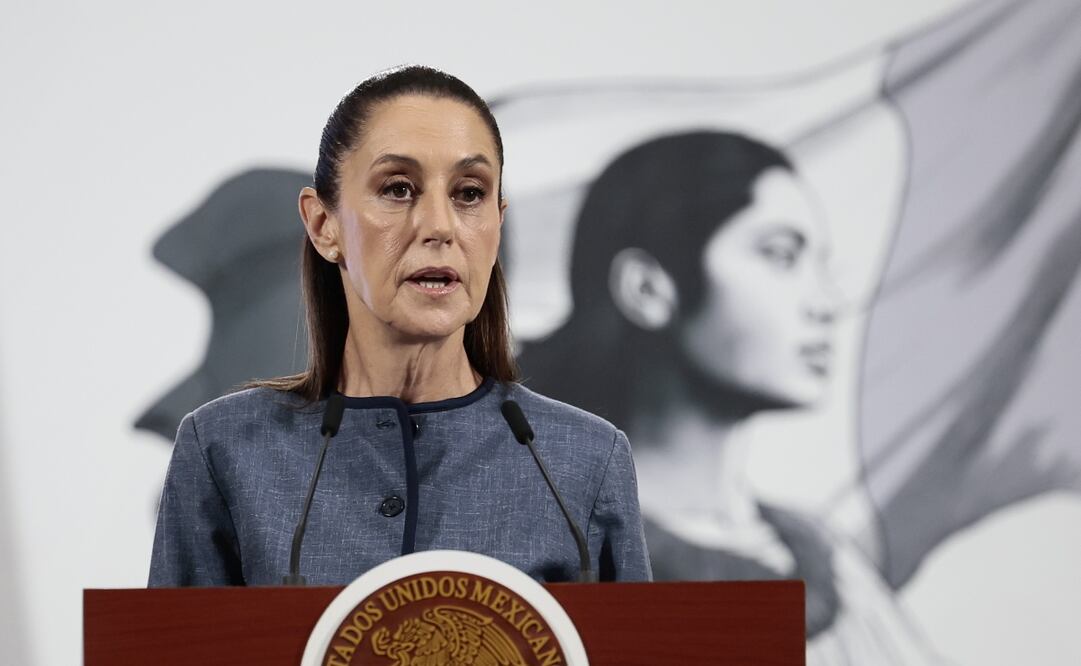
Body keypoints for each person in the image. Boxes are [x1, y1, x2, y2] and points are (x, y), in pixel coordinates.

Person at [148, 66, 650, 587]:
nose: (439, 225)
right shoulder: (225, 448)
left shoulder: (586, 459)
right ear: (324, 226)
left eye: (470, 193)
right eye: (399, 188)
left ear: (498, 225)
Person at [518, 132, 944, 664]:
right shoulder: (544, 557)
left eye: (821, 266)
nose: (826, 303)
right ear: (647, 289)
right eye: (780, 255)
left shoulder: (826, 557)